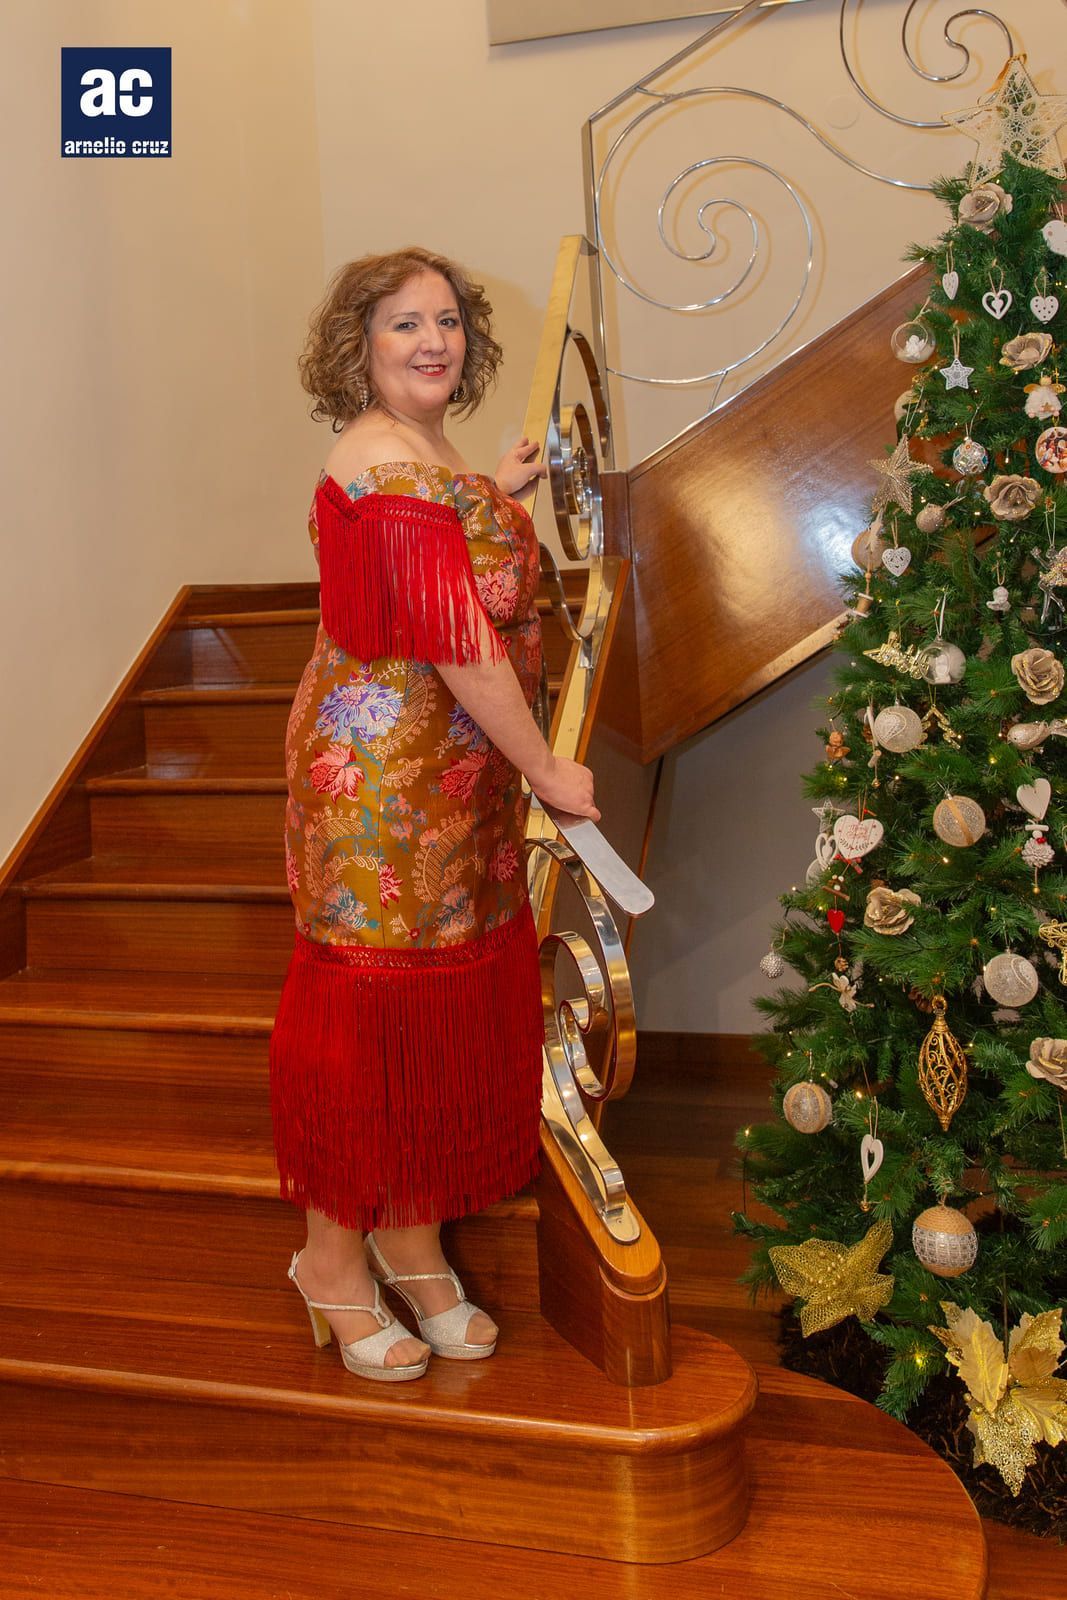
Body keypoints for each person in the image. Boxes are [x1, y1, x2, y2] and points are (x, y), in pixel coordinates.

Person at [269, 246, 599, 1382]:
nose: (433, 341)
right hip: (381, 787)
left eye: (448, 320)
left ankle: (409, 1246)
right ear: (357, 346)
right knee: (372, 1027)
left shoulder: (431, 456)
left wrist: (497, 494)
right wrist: (545, 767)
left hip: (455, 780)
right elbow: (453, 634)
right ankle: (328, 1261)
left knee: (432, 1015)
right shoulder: (375, 452)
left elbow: (448, 557)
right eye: (404, 323)